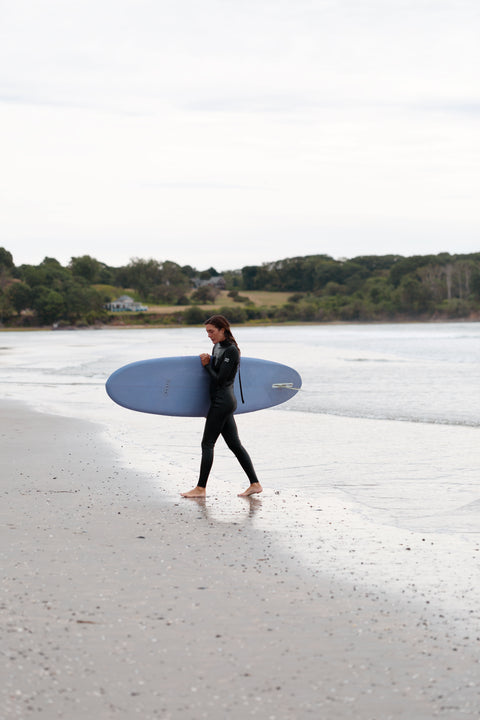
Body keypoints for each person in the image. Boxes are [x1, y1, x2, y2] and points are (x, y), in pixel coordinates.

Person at [181, 315, 263, 498]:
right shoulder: (217, 347)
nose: (209, 335)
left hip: (222, 402)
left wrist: (206, 365)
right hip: (220, 402)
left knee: (207, 444)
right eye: (207, 332)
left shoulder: (232, 350)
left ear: (222, 329)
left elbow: (220, 379)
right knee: (235, 444)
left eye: (211, 331)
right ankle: (255, 484)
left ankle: (201, 488)